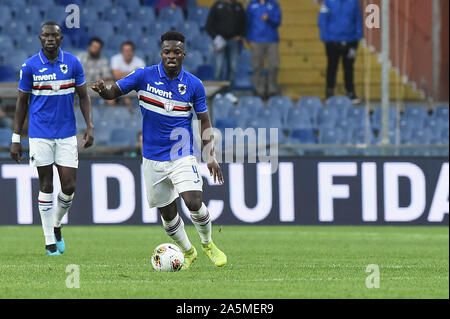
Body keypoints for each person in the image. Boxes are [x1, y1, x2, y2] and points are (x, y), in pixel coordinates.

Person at [91, 31, 227, 269]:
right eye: (167, 52)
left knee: (193, 201)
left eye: (176, 52)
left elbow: (204, 120)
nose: (171, 56)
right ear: (161, 53)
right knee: (168, 215)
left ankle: (207, 244)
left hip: (181, 153)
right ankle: (188, 250)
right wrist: (104, 91)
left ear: (184, 54)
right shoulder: (144, 76)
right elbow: (115, 91)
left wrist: (210, 155)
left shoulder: (194, 85)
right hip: (152, 158)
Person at [10, 21, 94, 256]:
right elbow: (21, 103)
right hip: (40, 136)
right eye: (45, 35)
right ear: (40, 38)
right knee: (46, 184)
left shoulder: (73, 63)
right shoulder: (30, 67)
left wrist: (90, 126)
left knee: (69, 186)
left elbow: (84, 96)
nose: (49, 39)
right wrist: (16, 137)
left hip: (67, 135)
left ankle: (56, 223)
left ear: (60, 39)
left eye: (54, 35)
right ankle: (49, 242)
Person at [318, 0, 363, 103]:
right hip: (332, 41)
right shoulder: (328, 2)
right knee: (332, 67)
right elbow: (322, 19)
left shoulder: (353, 2)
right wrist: (326, 37)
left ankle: (350, 92)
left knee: (349, 68)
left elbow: (358, 19)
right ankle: (329, 92)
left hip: (350, 41)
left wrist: (357, 38)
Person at [205, 0, 246, 103]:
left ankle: (229, 92)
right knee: (218, 67)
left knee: (233, 67)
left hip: (234, 42)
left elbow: (244, 23)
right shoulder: (217, 5)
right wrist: (216, 37)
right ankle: (217, 93)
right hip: (220, 42)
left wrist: (240, 36)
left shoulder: (238, 6)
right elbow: (208, 25)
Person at [246, 0, 282, 99]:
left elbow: (278, 21)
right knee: (257, 67)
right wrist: (249, 38)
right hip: (256, 40)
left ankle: (272, 90)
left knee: (273, 65)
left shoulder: (274, 4)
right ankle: (259, 90)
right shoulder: (252, 5)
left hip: (272, 40)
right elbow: (247, 23)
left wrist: (269, 18)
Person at [77, 37, 114, 105]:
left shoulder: (103, 60)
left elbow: (108, 77)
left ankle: (110, 114)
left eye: (97, 48)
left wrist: (102, 80)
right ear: (89, 47)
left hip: (96, 88)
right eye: (94, 46)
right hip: (81, 87)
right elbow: (74, 73)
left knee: (111, 96)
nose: (95, 49)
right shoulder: (80, 57)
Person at [111, 41, 145, 112]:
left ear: (133, 52)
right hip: (118, 86)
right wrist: (133, 73)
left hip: (134, 87)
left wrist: (122, 74)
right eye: (125, 50)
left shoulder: (140, 62)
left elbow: (140, 78)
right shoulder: (115, 59)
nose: (127, 53)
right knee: (110, 100)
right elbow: (116, 76)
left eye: (129, 50)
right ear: (122, 52)